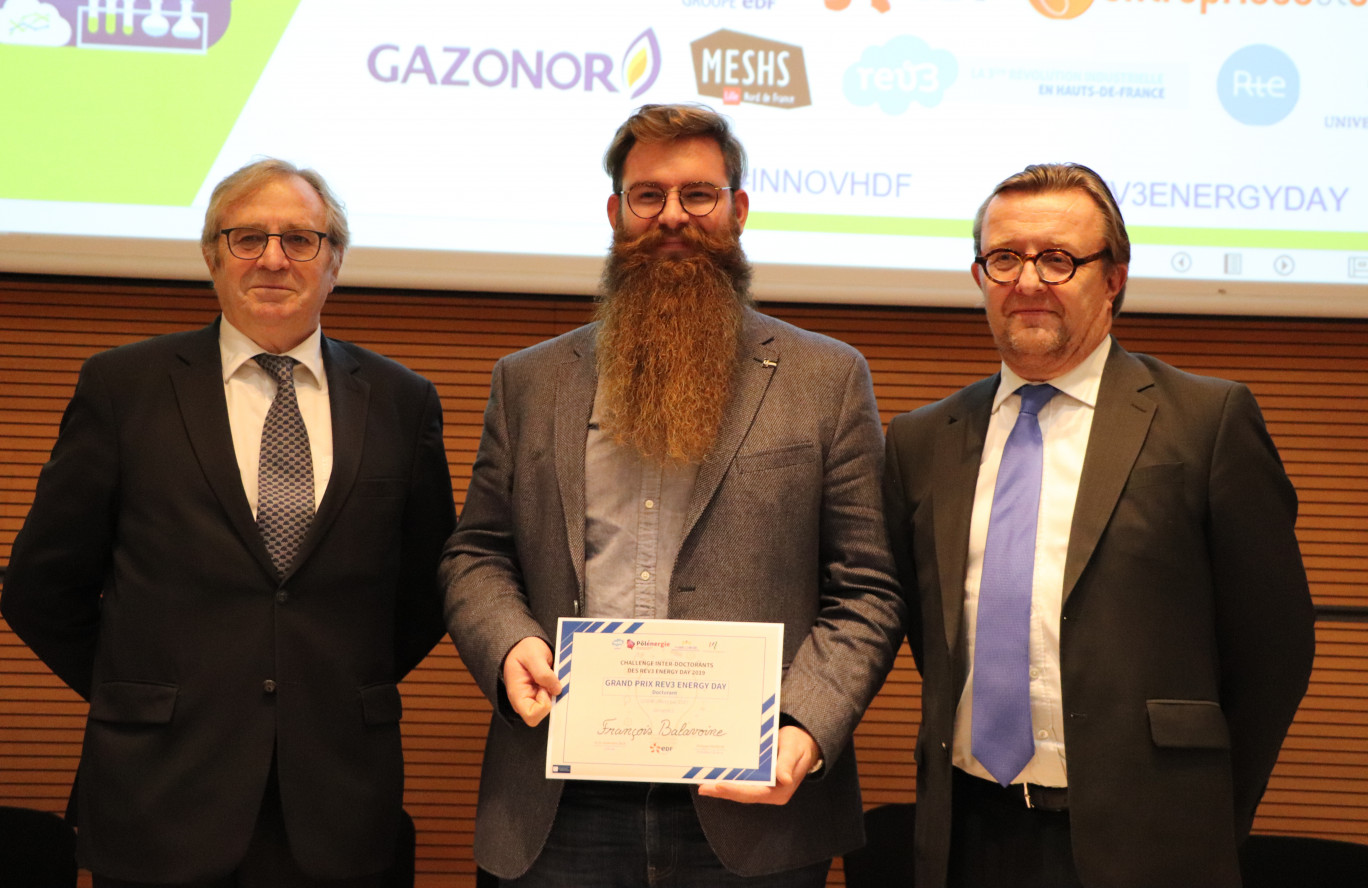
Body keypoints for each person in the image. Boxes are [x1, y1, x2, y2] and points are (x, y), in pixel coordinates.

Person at [440, 103, 904, 886]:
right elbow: (476, 554)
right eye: (648, 196)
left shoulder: (826, 379)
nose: (673, 217)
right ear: (617, 213)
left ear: (738, 210)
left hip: (751, 807)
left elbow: (867, 587)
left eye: (699, 196)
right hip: (558, 807)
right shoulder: (530, 380)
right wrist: (509, 643)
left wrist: (803, 725)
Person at [1, 159, 456, 887]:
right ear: (211, 256)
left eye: (301, 240)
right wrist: (143, 690)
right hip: (160, 796)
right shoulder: (123, 387)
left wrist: (321, 684)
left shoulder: (402, 400)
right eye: (247, 238)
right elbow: (39, 585)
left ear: (335, 261)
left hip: (336, 799)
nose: (273, 258)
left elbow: (429, 589)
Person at [883, 163, 1316, 888]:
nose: (1027, 282)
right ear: (978, 274)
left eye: (1058, 259)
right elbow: (936, 640)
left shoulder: (1206, 423)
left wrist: (1206, 813)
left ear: (1112, 278)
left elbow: (1274, 650)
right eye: (1004, 258)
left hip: (1150, 842)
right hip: (966, 836)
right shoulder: (922, 438)